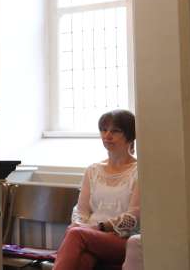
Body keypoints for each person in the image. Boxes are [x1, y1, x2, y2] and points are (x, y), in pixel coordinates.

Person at [54, 109, 140, 270]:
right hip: (88, 236)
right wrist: (80, 224)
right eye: (104, 130)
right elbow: (81, 210)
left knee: (75, 234)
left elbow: (133, 217)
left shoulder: (140, 170)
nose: (107, 135)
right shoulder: (93, 170)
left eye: (115, 131)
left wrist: (96, 228)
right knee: (83, 257)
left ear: (130, 135)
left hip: (122, 240)